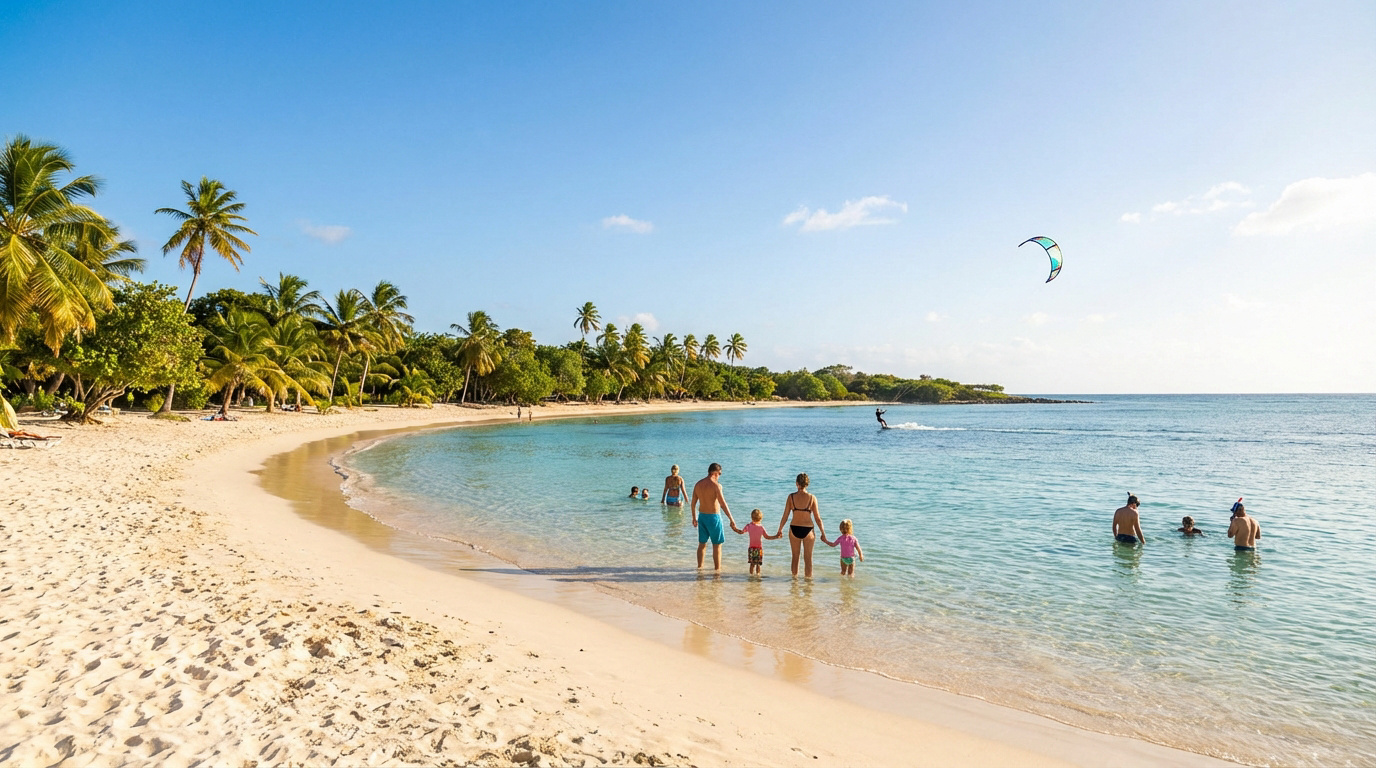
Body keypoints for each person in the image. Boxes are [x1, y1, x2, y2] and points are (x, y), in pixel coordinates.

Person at [776, 473, 826, 577]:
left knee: (795, 557)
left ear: (796, 483)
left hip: (794, 528)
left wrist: (780, 529)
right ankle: (808, 587)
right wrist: (823, 533)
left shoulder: (791, 497)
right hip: (808, 530)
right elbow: (818, 518)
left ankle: (794, 583)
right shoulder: (812, 498)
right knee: (808, 558)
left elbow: (785, 516)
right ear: (807, 484)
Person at [691, 463, 740, 571]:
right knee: (717, 545)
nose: (720, 476)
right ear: (715, 473)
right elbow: (723, 504)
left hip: (702, 517)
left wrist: (694, 518)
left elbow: (693, 503)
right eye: (720, 474)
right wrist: (731, 519)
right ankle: (717, 570)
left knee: (702, 544)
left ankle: (700, 568)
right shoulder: (716, 486)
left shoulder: (698, 484)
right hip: (714, 518)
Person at [734, 509, 779, 575]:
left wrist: (734, 528)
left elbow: (741, 532)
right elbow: (767, 537)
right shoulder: (761, 527)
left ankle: (751, 576)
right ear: (760, 519)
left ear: (751, 517)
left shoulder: (748, 526)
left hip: (751, 548)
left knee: (752, 564)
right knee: (758, 565)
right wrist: (776, 536)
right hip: (759, 548)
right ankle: (758, 576)